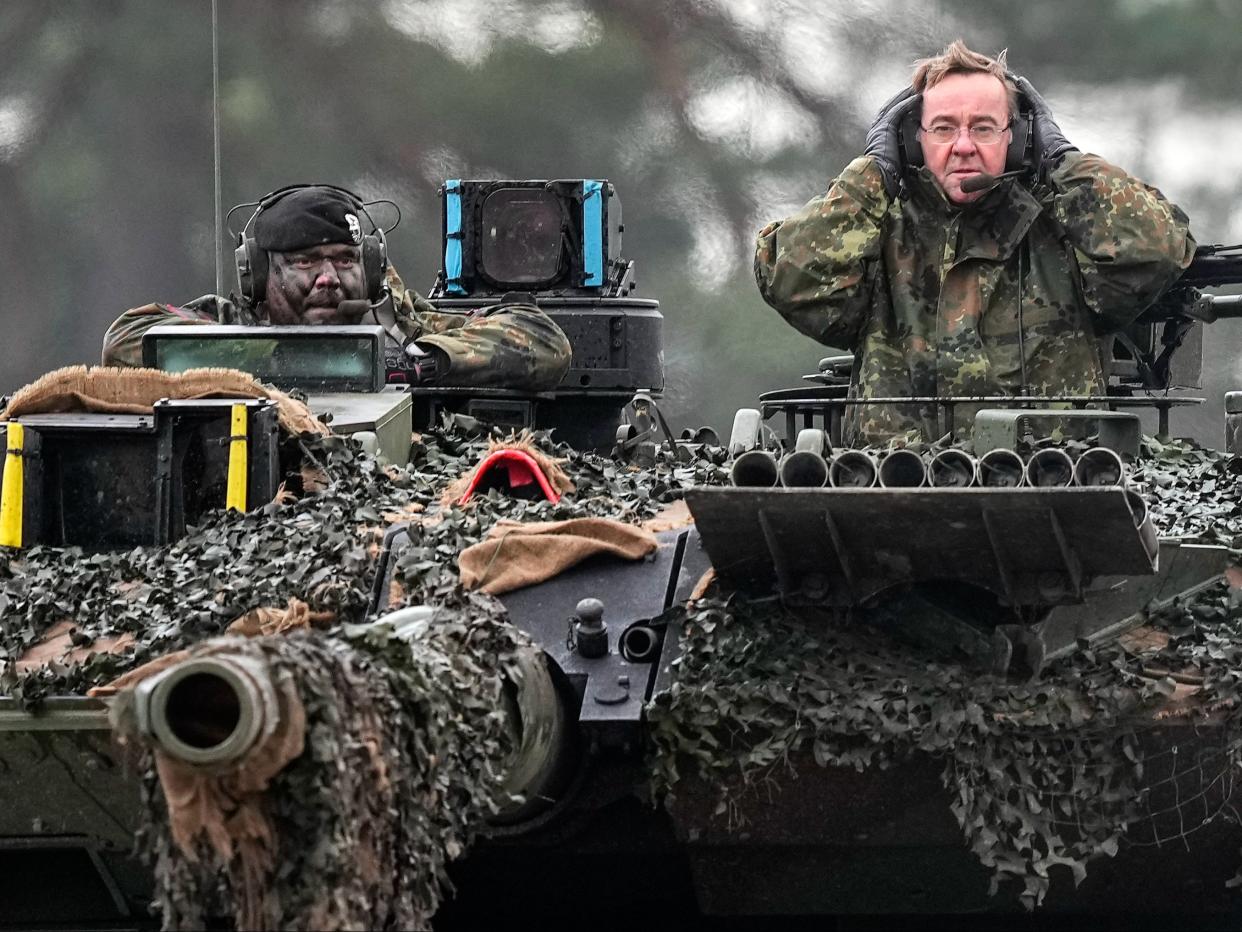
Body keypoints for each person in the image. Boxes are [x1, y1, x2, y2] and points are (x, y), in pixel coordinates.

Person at [754, 40, 1196, 444]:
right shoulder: (879, 233)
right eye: (944, 129)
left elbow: (1156, 249)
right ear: (911, 142)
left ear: (1020, 140)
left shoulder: (1063, 230)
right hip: (892, 489)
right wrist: (873, 172)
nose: (963, 146)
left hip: (1054, 490)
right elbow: (792, 280)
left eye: (983, 128)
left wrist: (1063, 159)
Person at [101, 185, 573, 390]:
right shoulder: (229, 324)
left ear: (367, 269)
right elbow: (123, 341)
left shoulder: (402, 325)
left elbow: (544, 340)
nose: (328, 278)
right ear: (261, 276)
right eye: (305, 262)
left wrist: (421, 362)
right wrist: (269, 359)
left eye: (344, 260)